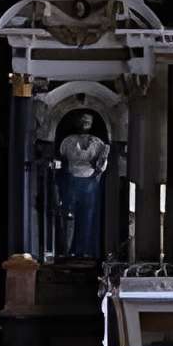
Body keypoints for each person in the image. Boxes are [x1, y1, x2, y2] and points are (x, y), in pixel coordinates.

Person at [54, 111, 109, 258]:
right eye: (82, 120)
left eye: (88, 120)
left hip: (91, 183)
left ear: (92, 123)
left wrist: (98, 169)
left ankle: (84, 250)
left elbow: (102, 165)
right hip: (71, 182)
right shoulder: (67, 142)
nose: (84, 123)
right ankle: (67, 250)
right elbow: (62, 162)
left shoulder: (98, 143)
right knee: (69, 215)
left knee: (88, 216)